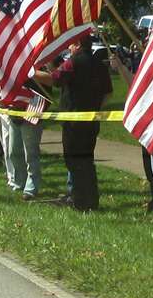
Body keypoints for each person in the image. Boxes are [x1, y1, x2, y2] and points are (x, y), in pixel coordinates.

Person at [36, 36, 112, 211]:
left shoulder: (74, 63)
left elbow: (54, 80)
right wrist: (95, 108)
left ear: (77, 44)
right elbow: (108, 93)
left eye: (70, 44)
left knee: (74, 161)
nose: (69, 48)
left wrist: (29, 73)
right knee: (87, 160)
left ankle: (79, 200)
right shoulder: (99, 64)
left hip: (74, 123)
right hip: (92, 121)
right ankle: (90, 199)